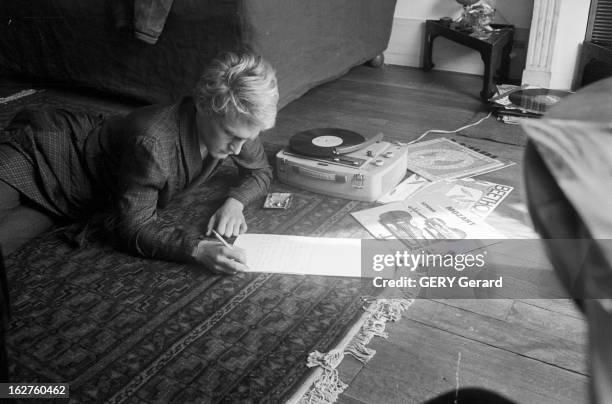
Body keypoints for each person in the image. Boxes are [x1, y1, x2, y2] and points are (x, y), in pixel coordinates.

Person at [0, 51, 278, 275]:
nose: (238, 149)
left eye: (248, 138)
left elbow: (260, 172)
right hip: (40, 154)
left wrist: (236, 202)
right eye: (232, 137)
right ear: (204, 107)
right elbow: (134, 226)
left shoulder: (239, 123)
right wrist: (199, 249)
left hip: (75, 198)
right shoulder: (154, 141)